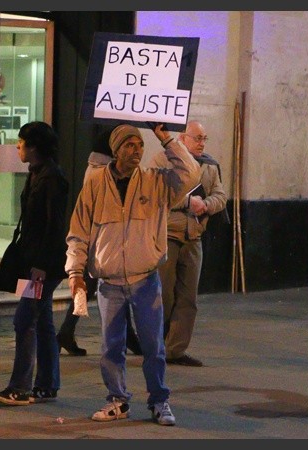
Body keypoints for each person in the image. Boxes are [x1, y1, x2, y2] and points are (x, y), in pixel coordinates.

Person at [65, 123, 199, 426]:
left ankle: (160, 401)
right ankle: (117, 400)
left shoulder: (156, 182)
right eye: (129, 145)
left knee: (154, 346)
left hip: (145, 280)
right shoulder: (95, 184)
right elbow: (78, 232)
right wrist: (75, 273)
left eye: (140, 145)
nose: (136, 151)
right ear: (115, 150)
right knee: (111, 348)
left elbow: (191, 173)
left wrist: (165, 138)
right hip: (109, 283)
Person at [0, 121, 70, 406]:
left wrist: (41, 266)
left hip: (41, 268)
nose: (17, 147)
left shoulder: (51, 179)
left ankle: (20, 387)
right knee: (44, 320)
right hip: (34, 264)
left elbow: (53, 228)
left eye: (21, 142)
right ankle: (47, 384)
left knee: (24, 319)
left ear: (34, 147)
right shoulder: (37, 174)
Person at [56, 126, 143, 357]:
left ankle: (67, 332)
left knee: (97, 287)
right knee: (100, 287)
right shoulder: (102, 176)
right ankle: (67, 332)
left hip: (101, 245)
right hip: (100, 245)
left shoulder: (96, 170)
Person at [150, 120, 227, 367]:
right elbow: (154, 195)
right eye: (197, 138)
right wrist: (186, 203)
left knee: (188, 297)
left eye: (205, 138)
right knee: (163, 295)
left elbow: (221, 195)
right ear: (182, 138)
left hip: (193, 236)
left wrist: (206, 205)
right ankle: (155, 345)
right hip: (167, 235)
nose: (202, 143)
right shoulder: (163, 161)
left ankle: (175, 350)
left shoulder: (210, 166)